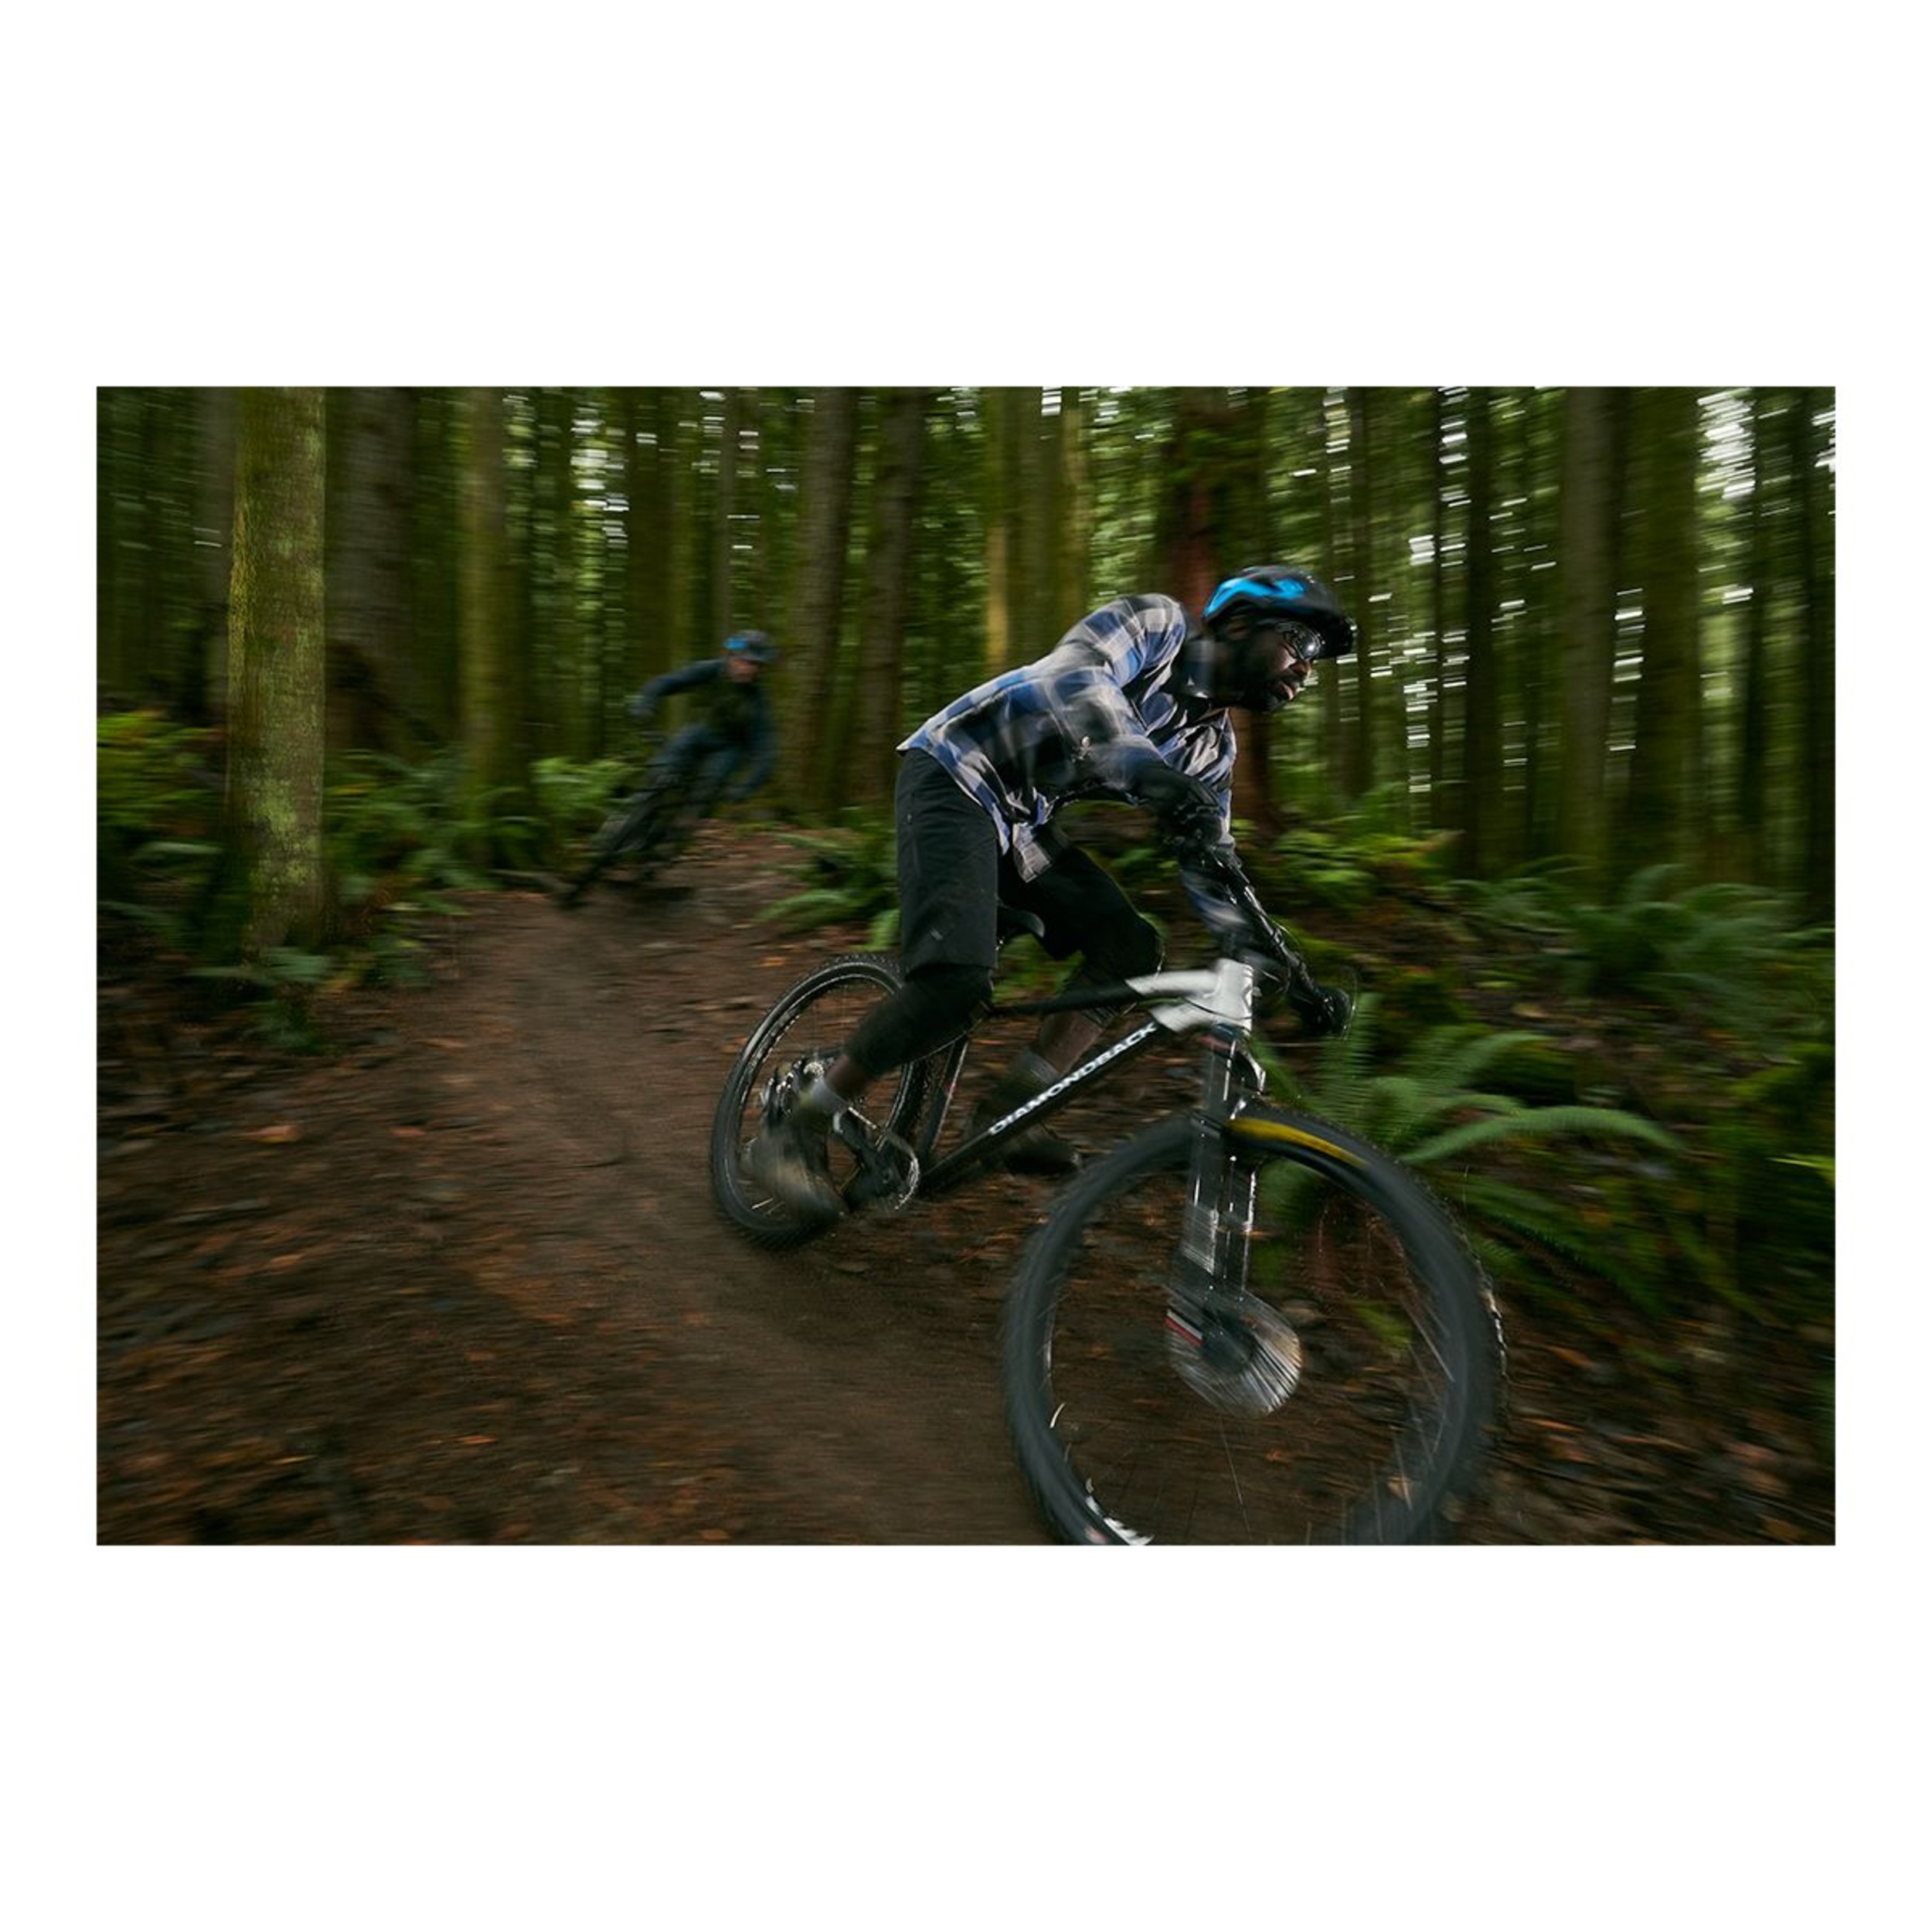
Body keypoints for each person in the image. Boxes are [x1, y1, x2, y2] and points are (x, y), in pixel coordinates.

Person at [743, 564, 1357, 1226]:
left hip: (1022, 820)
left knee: (1131, 946)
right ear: (1238, 624)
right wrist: (1144, 769)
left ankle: (1013, 1107)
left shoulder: (1210, 749)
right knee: (955, 984)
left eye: (1317, 659)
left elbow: (1213, 865)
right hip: (955, 774)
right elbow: (1077, 675)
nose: (1307, 668)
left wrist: (1285, 968)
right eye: (1300, 643)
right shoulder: (1160, 626)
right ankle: (799, 1122)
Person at [624, 629, 779, 808]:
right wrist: (645, 705)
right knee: (661, 769)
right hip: (700, 731)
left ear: (759, 669)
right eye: (740, 660)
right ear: (731, 657)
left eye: (753, 664)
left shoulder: (757, 702)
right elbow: (666, 682)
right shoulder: (711, 669)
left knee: (705, 791)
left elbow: (764, 752)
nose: (745, 668)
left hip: (729, 748)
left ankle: (687, 820)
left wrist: (745, 788)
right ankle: (633, 810)